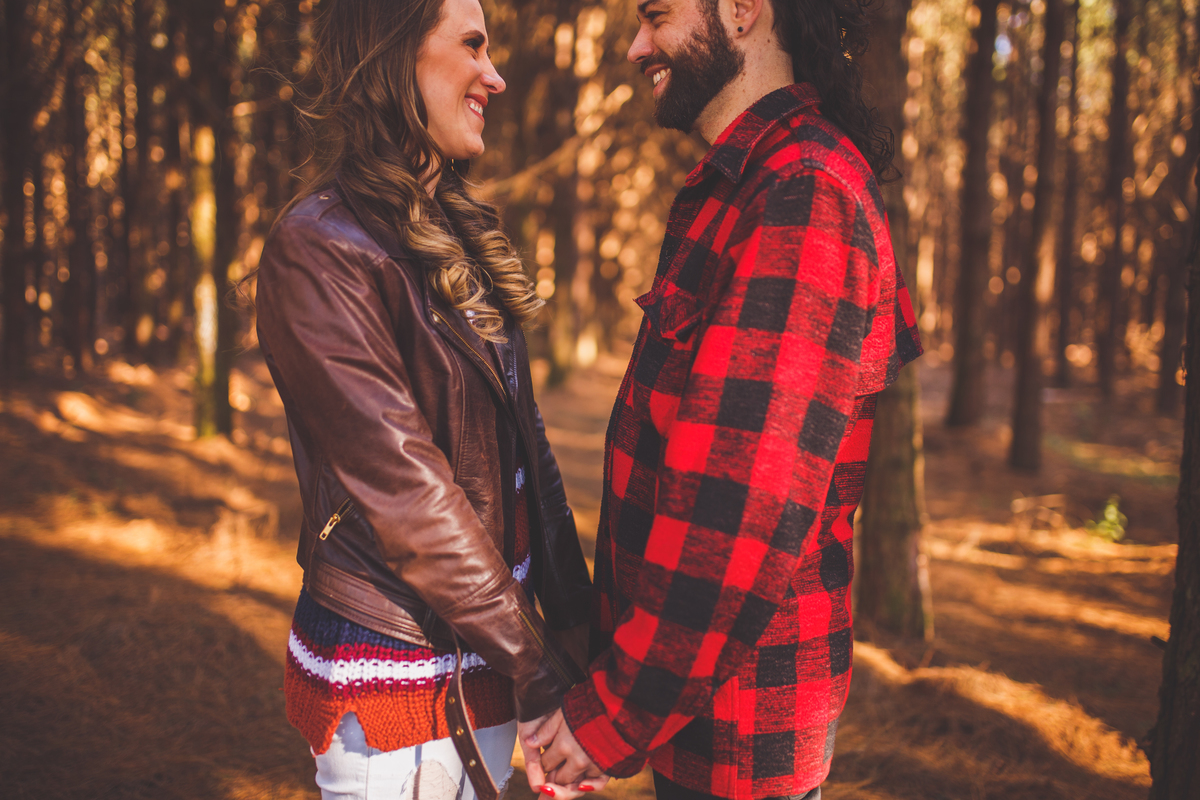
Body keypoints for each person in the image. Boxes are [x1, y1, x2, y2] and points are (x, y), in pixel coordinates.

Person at [519, 0, 923, 798]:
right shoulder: (748, 184)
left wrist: (613, 718)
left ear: (741, 11)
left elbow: (742, 507)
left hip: (744, 729)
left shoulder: (803, 196)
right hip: (705, 711)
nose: (638, 46)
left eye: (656, 15)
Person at [253, 0, 592, 797]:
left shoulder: (451, 230)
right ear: (395, 57)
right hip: (399, 679)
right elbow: (408, 492)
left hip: (486, 660)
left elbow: (525, 450)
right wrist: (541, 666)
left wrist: (575, 640)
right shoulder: (319, 247)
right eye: (472, 47)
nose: (495, 75)